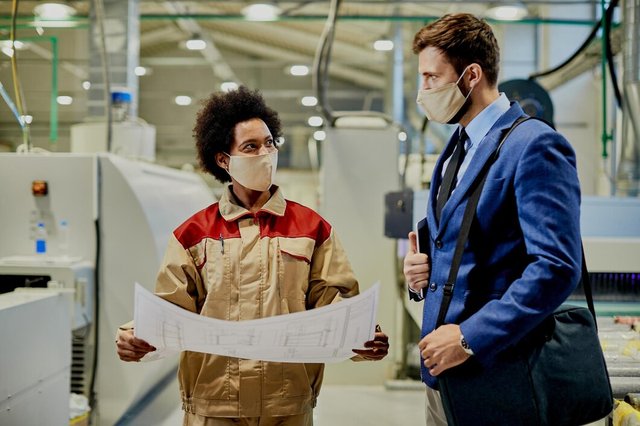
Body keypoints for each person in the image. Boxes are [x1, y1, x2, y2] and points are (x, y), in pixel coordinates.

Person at [116, 86, 389, 425]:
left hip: (287, 406)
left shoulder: (312, 228)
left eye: (270, 142)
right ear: (223, 159)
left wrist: (362, 337)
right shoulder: (194, 233)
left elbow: (335, 304)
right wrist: (134, 332)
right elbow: (170, 309)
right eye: (251, 146)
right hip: (214, 405)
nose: (265, 153)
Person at [403, 13, 582, 425]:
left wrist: (470, 337)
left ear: (470, 76)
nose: (423, 91)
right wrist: (425, 271)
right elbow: (466, 243)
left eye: (432, 78)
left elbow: (555, 267)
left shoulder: (535, 146)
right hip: (442, 375)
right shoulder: (458, 146)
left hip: (497, 374)